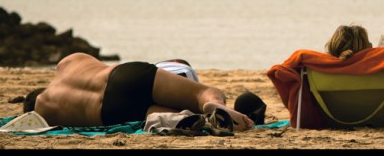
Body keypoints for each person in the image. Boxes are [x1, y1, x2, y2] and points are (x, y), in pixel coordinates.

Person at [23, 52, 255, 131]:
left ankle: (185, 119)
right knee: (202, 92)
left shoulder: (44, 109)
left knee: (151, 113)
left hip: (108, 112)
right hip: (123, 75)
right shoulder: (67, 63)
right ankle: (215, 105)